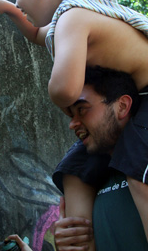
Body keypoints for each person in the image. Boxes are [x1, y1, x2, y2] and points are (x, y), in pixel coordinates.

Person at [0, 0, 148, 241]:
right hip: (131, 97)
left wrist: (62, 96)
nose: (19, 1)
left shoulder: (73, 18)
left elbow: (64, 90)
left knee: (138, 170)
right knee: (73, 167)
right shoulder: (64, 20)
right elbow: (37, 35)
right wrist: (6, 8)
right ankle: (83, 241)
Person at [53, 66, 148, 250]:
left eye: (82, 109)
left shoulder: (141, 173)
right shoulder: (85, 177)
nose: (72, 124)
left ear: (122, 106)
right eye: (71, 114)